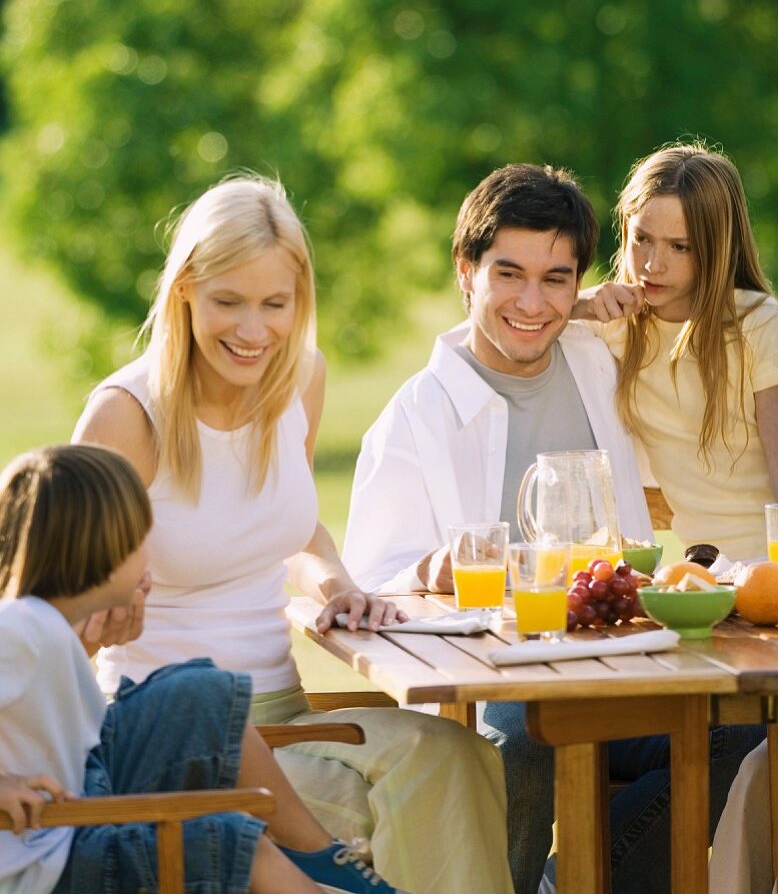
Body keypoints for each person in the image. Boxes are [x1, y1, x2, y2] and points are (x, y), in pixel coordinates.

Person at [72, 175, 513, 894]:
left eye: (275, 305)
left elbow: (293, 523)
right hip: (166, 734)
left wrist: (339, 585)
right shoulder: (128, 417)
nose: (253, 332)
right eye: (228, 302)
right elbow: (48, 616)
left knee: (458, 754)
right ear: (184, 289)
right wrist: (105, 611)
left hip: (284, 711)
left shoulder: (299, 381)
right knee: (400, 795)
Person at [342, 161, 764, 894]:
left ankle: (570, 882)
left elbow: (700, 338)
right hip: (506, 676)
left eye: (556, 279)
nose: (532, 304)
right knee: (525, 745)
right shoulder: (416, 420)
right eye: (509, 274)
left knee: (744, 737)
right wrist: (428, 572)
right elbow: (374, 583)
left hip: (627, 665)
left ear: (578, 285)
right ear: (465, 271)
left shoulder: (598, 355)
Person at [0, 443, 407, 894]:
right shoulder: (20, 628)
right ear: (103, 546)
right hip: (56, 857)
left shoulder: (46, 627)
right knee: (230, 840)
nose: (149, 560)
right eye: (140, 540)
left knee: (196, 693)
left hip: (83, 801)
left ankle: (323, 859)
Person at [575, 141, 778, 560]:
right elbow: (497, 336)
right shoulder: (615, 327)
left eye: (679, 246)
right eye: (642, 238)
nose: (653, 264)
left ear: (716, 248)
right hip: (701, 578)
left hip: (767, 575)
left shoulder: (761, 326)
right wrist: (578, 304)